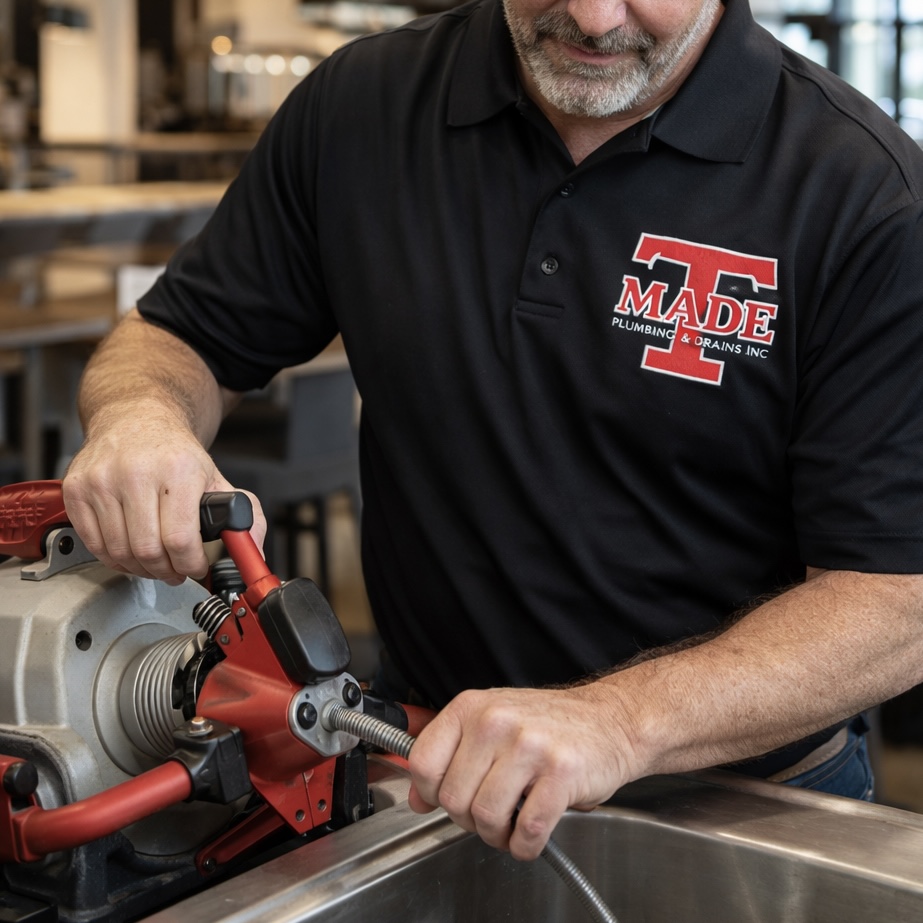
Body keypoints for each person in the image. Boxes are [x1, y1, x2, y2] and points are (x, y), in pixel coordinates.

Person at [64, 0, 923, 863]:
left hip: (742, 809)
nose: (592, 17)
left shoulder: (860, 192)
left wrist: (618, 722)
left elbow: (898, 597)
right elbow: (179, 338)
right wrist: (141, 413)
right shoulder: (364, 107)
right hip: (428, 768)